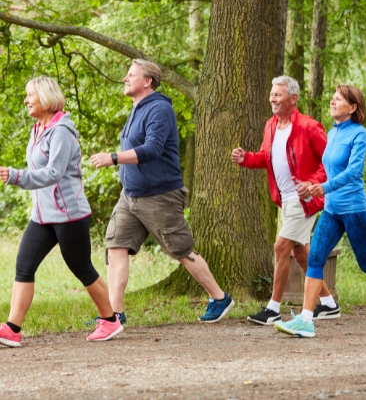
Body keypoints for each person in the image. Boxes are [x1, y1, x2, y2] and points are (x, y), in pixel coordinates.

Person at [89, 59, 233, 323]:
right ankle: (113, 316)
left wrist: (113, 157)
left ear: (148, 81)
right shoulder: (137, 108)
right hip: (130, 195)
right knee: (116, 246)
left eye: (131, 74)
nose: (125, 78)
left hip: (159, 195)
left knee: (181, 250)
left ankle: (220, 297)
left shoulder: (158, 109)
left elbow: (153, 149)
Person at [0, 76, 123, 347]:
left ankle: (111, 320)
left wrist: (16, 176)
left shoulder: (62, 132)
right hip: (42, 216)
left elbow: (53, 173)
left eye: (30, 95)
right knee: (24, 265)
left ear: (45, 98)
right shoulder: (38, 129)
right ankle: (12, 329)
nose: (26, 100)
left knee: (81, 267)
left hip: (69, 214)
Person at [274, 85, 366, 337]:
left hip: (355, 210)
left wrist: (324, 187)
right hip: (332, 210)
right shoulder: (331, 133)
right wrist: (312, 184)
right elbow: (326, 170)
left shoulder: (359, 135)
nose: (333, 101)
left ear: (352, 108)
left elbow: (354, 172)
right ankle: (306, 320)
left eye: (339, 98)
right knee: (315, 259)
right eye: (333, 97)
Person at [231, 75, 337, 325]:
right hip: (285, 201)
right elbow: (266, 158)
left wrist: (313, 184)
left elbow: (330, 162)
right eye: (272, 94)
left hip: (305, 201)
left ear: (293, 98)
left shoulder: (310, 126)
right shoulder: (270, 126)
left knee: (280, 248)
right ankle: (330, 305)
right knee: (301, 255)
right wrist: (246, 157)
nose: (272, 98)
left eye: (278, 94)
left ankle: (273, 308)